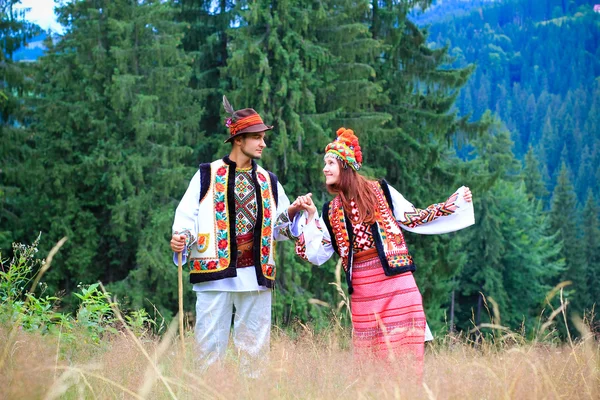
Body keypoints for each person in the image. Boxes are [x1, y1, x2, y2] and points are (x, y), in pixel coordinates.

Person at [292, 127, 474, 375]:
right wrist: (310, 216)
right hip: (363, 292)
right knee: (370, 364)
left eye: (331, 162)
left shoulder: (381, 191)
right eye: (325, 163)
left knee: (404, 357)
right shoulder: (330, 211)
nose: (325, 168)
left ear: (346, 165)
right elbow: (316, 254)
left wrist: (454, 204)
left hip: (397, 284)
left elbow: (413, 218)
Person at [170, 96, 301, 373]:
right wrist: (181, 237)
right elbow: (186, 216)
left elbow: (280, 229)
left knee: (255, 355)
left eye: (263, 137)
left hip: (256, 275)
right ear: (238, 139)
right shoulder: (207, 174)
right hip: (214, 274)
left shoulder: (269, 180)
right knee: (207, 351)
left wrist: (294, 212)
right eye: (256, 137)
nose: (263, 143)